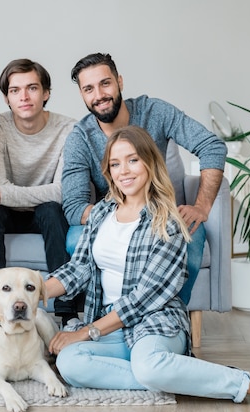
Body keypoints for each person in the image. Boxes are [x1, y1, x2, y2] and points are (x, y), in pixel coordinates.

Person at [44, 125, 250, 407]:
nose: (125, 171)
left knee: (149, 368)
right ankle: (187, 375)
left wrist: (87, 331)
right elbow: (79, 268)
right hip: (109, 326)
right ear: (108, 171)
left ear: (149, 163)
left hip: (154, 323)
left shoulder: (167, 220)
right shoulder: (101, 214)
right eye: (116, 163)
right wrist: (33, 292)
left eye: (133, 160)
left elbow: (143, 298)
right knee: (70, 364)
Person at [61, 52, 228, 307]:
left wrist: (202, 206)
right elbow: (73, 207)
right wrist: (123, 218)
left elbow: (212, 146)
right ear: (83, 95)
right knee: (74, 240)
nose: (99, 95)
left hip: (161, 214)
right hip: (110, 218)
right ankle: (108, 315)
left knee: (191, 242)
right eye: (88, 89)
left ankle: (171, 317)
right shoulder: (79, 138)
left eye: (105, 83)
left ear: (120, 82)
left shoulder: (154, 111)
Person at [0, 59, 77, 325]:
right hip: (6, 213)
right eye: (15, 90)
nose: (24, 97)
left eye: (32, 88)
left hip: (45, 211)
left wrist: (2, 193)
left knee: (52, 210)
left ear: (46, 93)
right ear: (7, 98)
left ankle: (68, 313)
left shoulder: (69, 129)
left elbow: (63, 191)